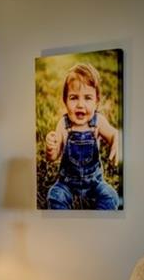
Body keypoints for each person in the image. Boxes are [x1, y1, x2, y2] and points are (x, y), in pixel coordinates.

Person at [42, 62, 122, 210]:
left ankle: (98, 223)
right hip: (66, 183)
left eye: (87, 98)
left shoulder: (98, 122)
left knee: (111, 196)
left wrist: (116, 142)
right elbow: (52, 157)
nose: (80, 104)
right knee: (54, 195)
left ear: (97, 102)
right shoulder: (63, 124)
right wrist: (50, 148)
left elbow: (113, 135)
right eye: (73, 98)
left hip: (94, 183)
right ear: (65, 101)